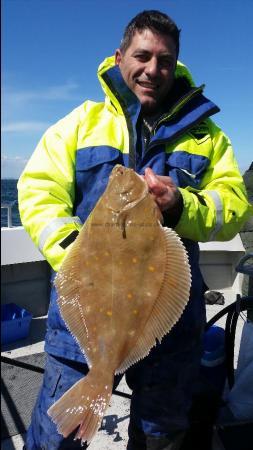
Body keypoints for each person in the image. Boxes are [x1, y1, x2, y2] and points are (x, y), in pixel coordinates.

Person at [18, 10, 252, 450]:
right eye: (142, 56)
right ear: (120, 56)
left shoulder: (209, 138)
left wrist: (181, 202)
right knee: (57, 439)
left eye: (165, 60)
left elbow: (233, 209)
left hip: (170, 326)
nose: (152, 70)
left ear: (176, 65)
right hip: (80, 326)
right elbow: (38, 191)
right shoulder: (80, 123)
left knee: (161, 437)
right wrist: (76, 254)